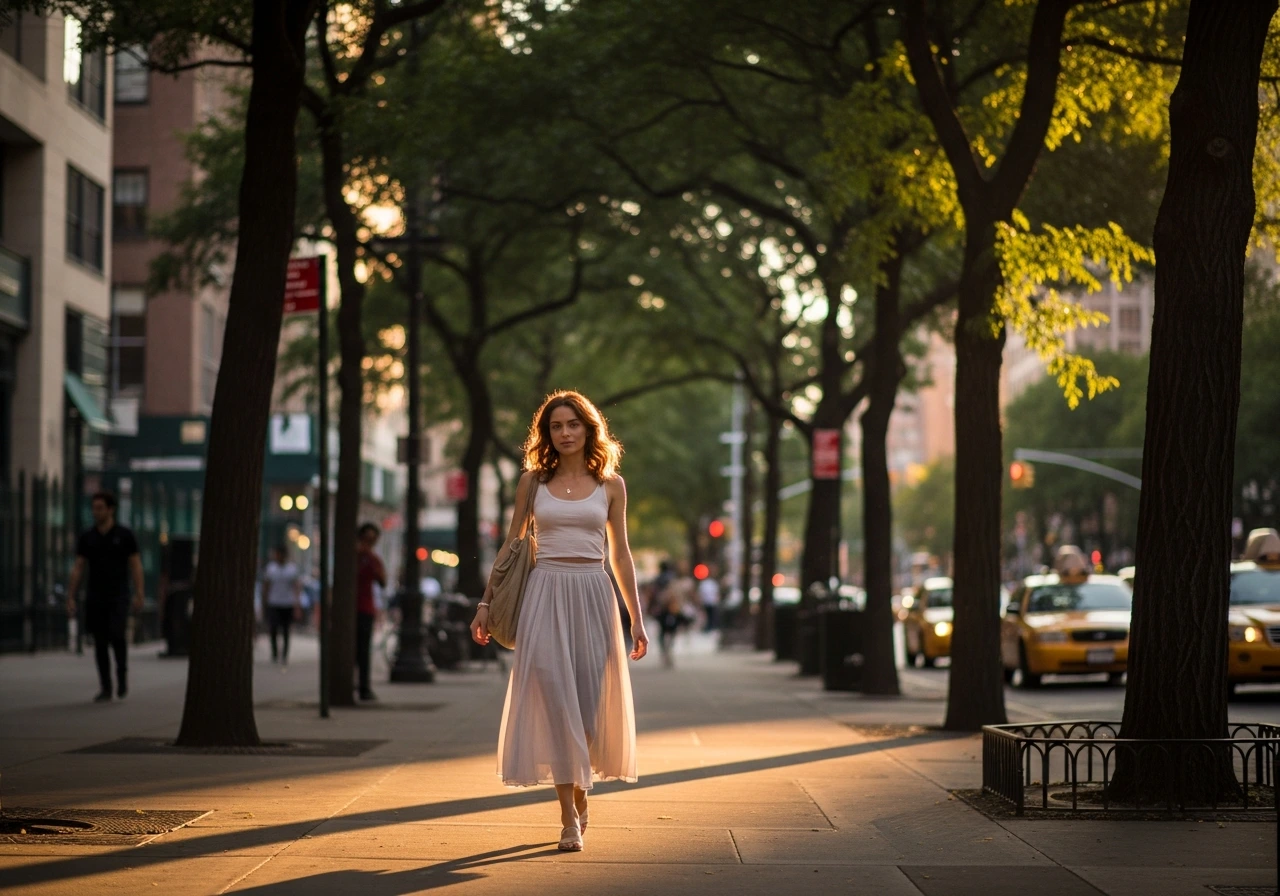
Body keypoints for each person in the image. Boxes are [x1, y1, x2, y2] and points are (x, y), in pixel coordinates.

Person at [470, 389, 648, 853]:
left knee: (587, 708)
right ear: (546, 433)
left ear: (589, 429)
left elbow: (621, 555)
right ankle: (568, 817)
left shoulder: (612, 485)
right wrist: (485, 603)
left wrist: (637, 618)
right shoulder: (533, 482)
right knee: (554, 702)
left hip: (593, 594)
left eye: (573, 424)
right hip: (544, 593)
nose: (565, 433)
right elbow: (511, 548)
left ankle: (581, 789)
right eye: (556, 426)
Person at [66, 491, 143, 702]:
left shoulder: (125, 536)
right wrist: (71, 595)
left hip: (119, 594)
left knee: (117, 634)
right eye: (94, 508)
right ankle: (106, 686)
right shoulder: (88, 537)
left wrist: (139, 592)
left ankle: (122, 675)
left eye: (100, 508)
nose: (96, 512)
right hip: (95, 595)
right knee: (100, 641)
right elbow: (79, 567)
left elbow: (135, 566)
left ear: (111, 509)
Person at [355, 522, 386, 701]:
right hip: (353, 608)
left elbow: (382, 581)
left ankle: (363, 686)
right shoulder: (353, 557)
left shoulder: (373, 559)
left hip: (366, 608)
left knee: (363, 650)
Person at [260, 545, 302, 668]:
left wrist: (297, 604)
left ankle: (284, 654)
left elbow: (296, 587)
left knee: (285, 630)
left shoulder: (291, 569)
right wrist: (265, 602)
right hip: (274, 602)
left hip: (287, 603)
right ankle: (274, 653)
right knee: (273, 628)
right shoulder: (271, 569)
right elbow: (266, 586)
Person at [699, 563, 721, 632]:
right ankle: (707, 627)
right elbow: (701, 593)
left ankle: (712, 627)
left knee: (712, 616)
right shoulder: (704, 583)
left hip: (712, 602)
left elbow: (716, 593)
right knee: (707, 616)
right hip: (706, 602)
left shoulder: (714, 583)